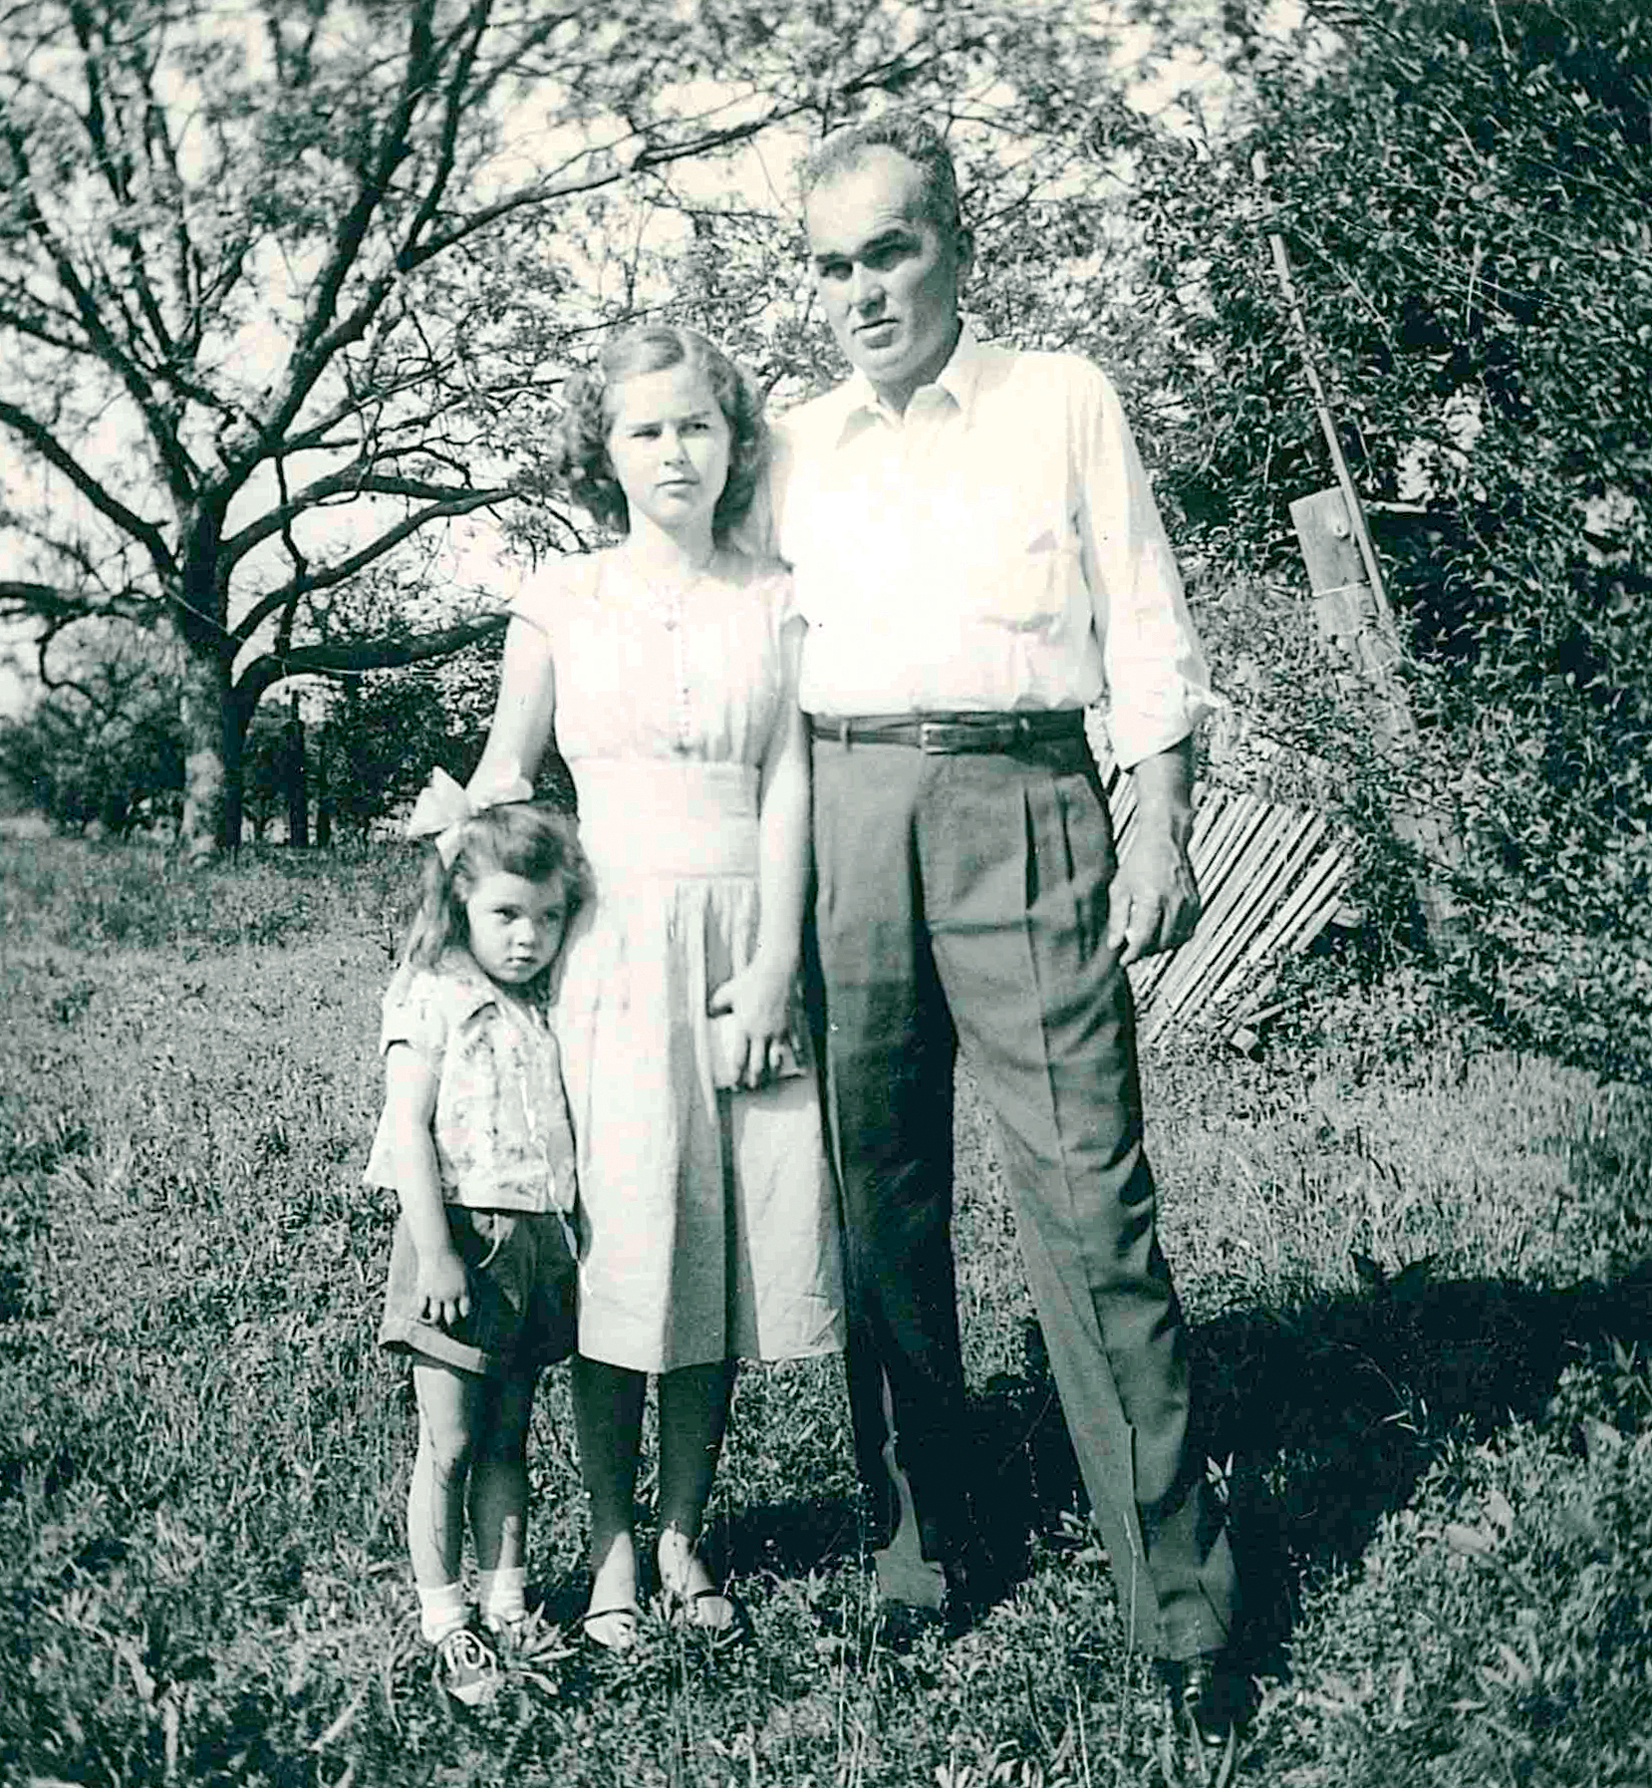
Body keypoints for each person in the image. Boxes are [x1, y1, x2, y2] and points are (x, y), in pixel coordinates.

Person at [762, 114, 1244, 1762]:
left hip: (1026, 801)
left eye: (886, 250)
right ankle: (924, 1542)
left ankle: (1178, 1606)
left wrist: (1160, 811)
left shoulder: (1062, 400)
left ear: (955, 242)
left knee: (1090, 1204)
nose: (859, 291)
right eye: (828, 265)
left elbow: (1147, 617)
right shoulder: (789, 442)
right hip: (841, 810)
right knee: (873, 1196)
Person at [471, 324, 844, 1653]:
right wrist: (460, 939)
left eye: (696, 424)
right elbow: (508, 779)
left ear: (734, 442)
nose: (674, 450)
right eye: (646, 428)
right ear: (606, 451)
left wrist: (776, 967)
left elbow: (793, 786)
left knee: (716, 1251)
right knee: (627, 1251)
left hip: (743, 947)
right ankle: (611, 1545)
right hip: (612, 949)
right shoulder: (562, 599)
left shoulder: (781, 595)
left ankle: (686, 1532)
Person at [366, 776, 589, 1705]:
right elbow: (406, 1129)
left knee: (510, 1435)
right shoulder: (433, 995)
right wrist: (442, 1254)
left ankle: (508, 1599)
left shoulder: (542, 1000)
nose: (527, 937)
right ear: (460, 899)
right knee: (449, 1440)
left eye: (545, 917)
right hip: (456, 1238)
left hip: (536, 1242)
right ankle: (444, 1616)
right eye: (505, 914)